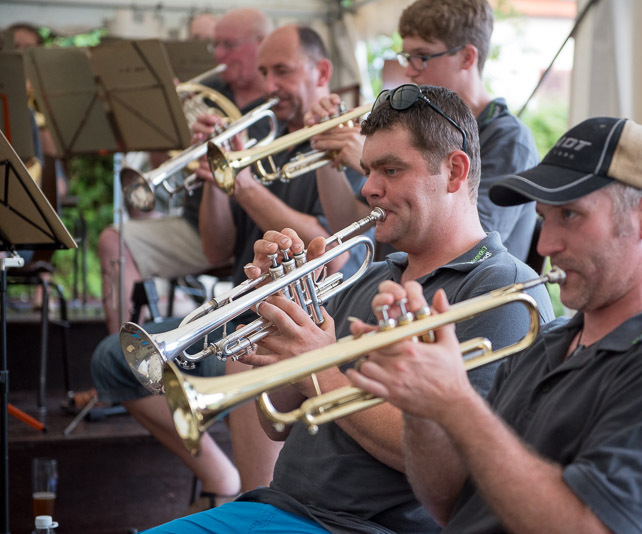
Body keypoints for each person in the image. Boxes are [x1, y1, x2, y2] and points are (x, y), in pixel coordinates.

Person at [144, 84, 555, 534]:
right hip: (278, 508)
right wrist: (280, 312)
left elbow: (450, 458)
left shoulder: (503, 289)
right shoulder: (371, 273)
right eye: (367, 170)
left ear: (454, 172)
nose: (369, 188)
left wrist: (318, 366)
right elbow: (276, 421)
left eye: (391, 170)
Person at [347, 116, 642, 533]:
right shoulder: (547, 341)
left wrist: (456, 402)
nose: (545, 244)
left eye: (570, 215)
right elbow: (451, 503)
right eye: (544, 217)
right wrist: (422, 407)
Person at [90, 22, 367, 516]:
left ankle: (253, 503)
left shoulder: (346, 143)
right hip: (249, 312)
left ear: (321, 71)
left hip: (304, 325)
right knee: (115, 359)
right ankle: (221, 478)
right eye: (264, 72)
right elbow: (217, 248)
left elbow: (329, 249)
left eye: (282, 71)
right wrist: (215, 174)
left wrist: (242, 183)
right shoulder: (262, 139)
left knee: (245, 353)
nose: (269, 85)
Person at [308, 0, 540, 261]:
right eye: (407, 57)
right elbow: (349, 224)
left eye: (422, 57)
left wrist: (375, 164)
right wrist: (326, 149)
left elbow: (475, 240)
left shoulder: (509, 139)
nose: (410, 70)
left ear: (467, 57)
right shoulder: (414, 127)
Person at [96, 7, 272, 336]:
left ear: (261, 43)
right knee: (112, 241)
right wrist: (166, 119)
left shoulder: (282, 100)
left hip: (263, 232)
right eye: (216, 45)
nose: (218, 55)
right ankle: (125, 352)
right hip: (201, 226)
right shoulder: (210, 90)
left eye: (229, 45)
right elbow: (165, 164)